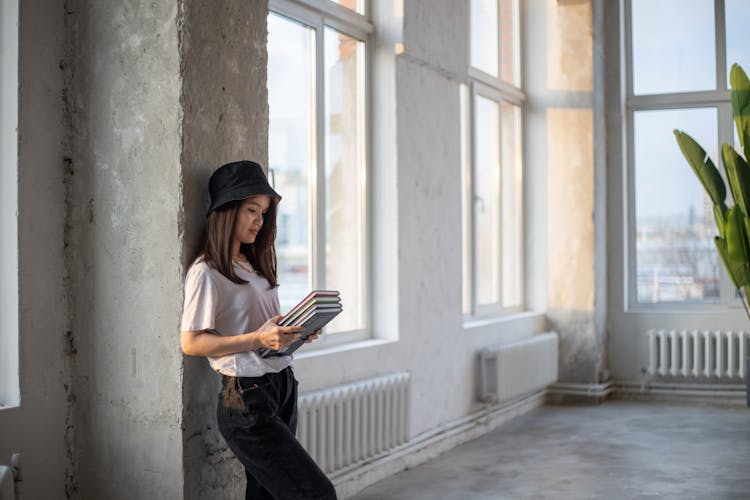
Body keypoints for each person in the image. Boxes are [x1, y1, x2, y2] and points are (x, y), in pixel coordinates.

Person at [180, 160, 337, 500]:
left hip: (280, 385)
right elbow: (191, 342)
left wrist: (294, 334)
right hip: (245, 398)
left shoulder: (255, 264)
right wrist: (257, 339)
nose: (259, 220)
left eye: (264, 213)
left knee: (265, 496)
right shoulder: (206, 272)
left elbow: (265, 329)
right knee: (316, 493)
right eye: (251, 210)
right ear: (226, 211)